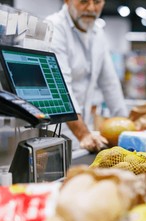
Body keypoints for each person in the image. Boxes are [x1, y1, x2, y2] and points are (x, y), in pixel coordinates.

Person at [46, 0, 128, 152]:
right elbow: (60, 86)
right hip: (54, 133)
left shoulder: (98, 33)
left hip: (84, 132)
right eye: (84, 1)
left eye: (97, 2)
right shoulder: (53, 28)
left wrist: (126, 130)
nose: (91, 8)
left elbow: (110, 84)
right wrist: (82, 133)